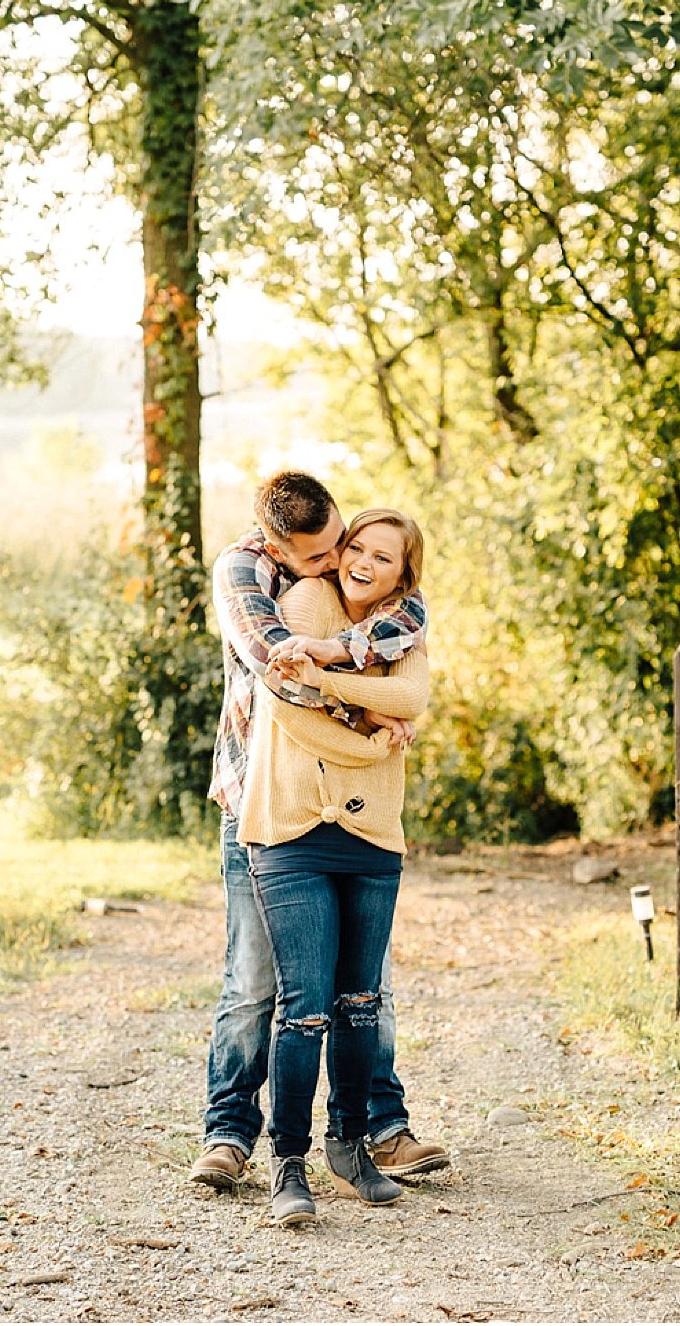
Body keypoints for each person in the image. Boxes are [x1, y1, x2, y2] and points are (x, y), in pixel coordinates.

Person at [189, 472, 450, 1190]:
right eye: (321, 554)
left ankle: (380, 1127)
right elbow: (280, 670)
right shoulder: (245, 572)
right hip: (259, 800)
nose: (338, 561)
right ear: (276, 545)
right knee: (255, 981)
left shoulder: (364, 565)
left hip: (353, 812)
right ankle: (231, 1132)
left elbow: (408, 629)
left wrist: (352, 662)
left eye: (343, 541)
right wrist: (371, 716)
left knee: (368, 986)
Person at [240, 507, 431, 1225]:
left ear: (401, 573)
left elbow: (411, 695)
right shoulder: (303, 602)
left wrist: (337, 677)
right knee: (306, 1008)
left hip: (374, 834)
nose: (364, 562)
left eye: (385, 557)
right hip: (290, 830)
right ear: (340, 547)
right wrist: (376, 739)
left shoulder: (405, 621)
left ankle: (349, 1146)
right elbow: (290, 708)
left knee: (360, 1004)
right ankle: (287, 1163)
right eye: (358, 546)